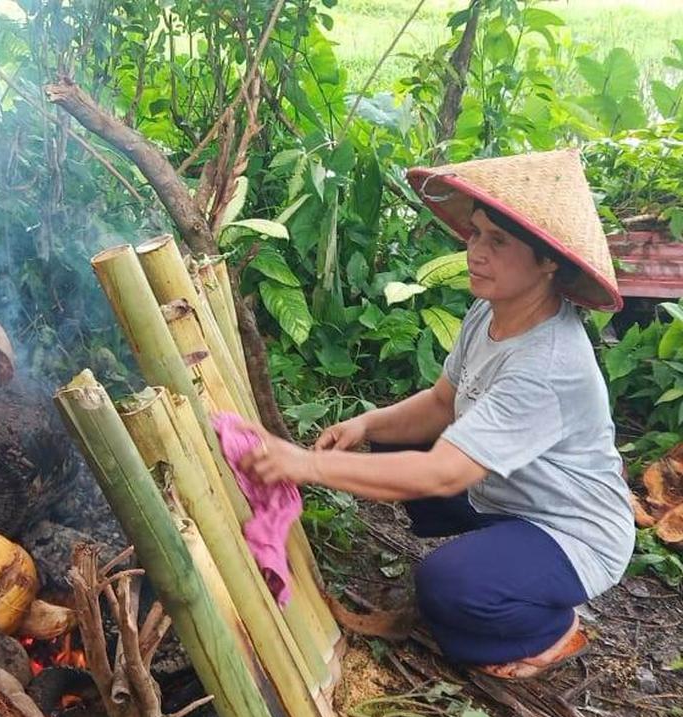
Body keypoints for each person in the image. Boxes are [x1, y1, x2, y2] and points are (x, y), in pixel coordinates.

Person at [238, 148, 634, 680]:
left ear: (548, 263)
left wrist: (304, 465)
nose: (476, 252)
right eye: (475, 234)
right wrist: (367, 424)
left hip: (572, 529)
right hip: (508, 492)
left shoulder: (549, 363)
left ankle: (552, 628)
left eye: (498, 241)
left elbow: (442, 472)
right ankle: (502, 561)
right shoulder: (488, 311)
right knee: (394, 440)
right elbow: (442, 402)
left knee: (446, 589)